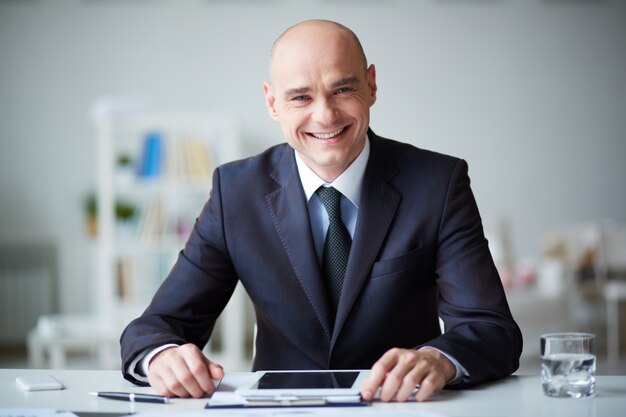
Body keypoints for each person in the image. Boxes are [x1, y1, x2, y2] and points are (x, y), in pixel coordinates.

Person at [120, 19, 523, 403]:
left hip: (400, 407)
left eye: (343, 90)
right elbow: (154, 329)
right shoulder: (235, 192)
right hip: (281, 411)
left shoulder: (438, 183)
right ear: (272, 102)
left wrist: (440, 360)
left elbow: (490, 329)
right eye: (301, 97)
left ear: (371, 84)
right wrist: (163, 357)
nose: (325, 115)